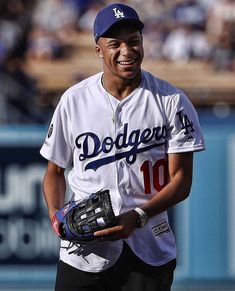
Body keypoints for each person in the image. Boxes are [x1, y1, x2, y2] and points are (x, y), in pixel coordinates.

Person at [40, 3, 205, 291]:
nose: (126, 51)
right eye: (115, 43)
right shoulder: (74, 100)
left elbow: (181, 180)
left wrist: (139, 216)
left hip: (149, 248)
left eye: (134, 41)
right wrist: (57, 217)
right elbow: (54, 171)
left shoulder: (171, 101)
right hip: (84, 254)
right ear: (98, 49)